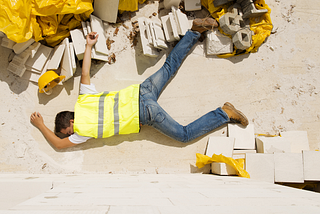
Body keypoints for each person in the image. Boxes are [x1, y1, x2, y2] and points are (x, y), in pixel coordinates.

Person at [30, 18, 249, 150]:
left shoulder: (82, 130)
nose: (68, 135)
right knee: (169, 67)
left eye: (66, 131)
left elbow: (58, 145)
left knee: (184, 135)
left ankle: (224, 113)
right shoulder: (84, 98)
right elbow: (85, 71)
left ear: (70, 122)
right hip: (141, 91)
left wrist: (41, 126)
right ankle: (194, 31)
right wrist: (88, 46)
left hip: (145, 113)